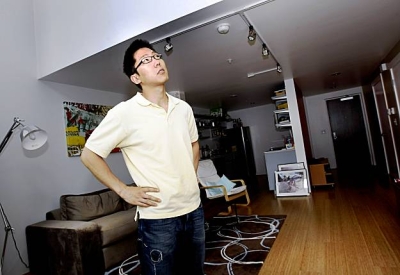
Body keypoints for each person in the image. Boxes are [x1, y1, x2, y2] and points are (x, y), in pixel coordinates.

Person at [80, 39, 204, 275]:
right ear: (136, 78)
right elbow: (89, 155)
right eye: (146, 60)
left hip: (194, 210)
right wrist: (123, 191)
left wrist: (190, 176)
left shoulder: (183, 108)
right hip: (158, 218)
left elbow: (194, 145)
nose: (156, 61)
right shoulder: (124, 113)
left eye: (157, 56)